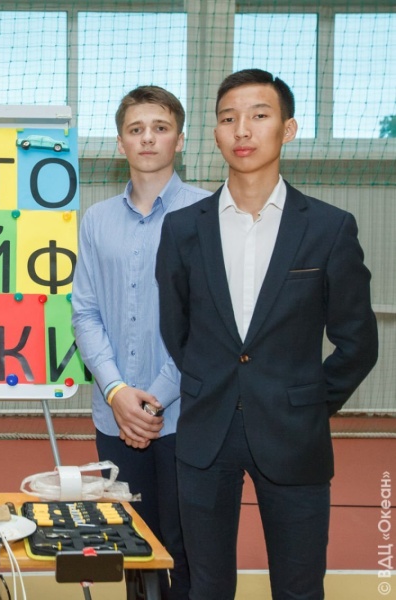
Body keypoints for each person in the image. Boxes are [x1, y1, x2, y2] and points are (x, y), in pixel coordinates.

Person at [156, 69, 378, 599]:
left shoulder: (329, 227)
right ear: (215, 134)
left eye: (259, 115)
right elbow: (176, 328)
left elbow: (357, 342)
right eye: (228, 118)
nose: (243, 130)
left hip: (294, 433)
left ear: (288, 129)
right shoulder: (183, 229)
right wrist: (210, 382)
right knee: (206, 587)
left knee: (299, 588)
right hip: (206, 431)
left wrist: (306, 401)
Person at [71, 85, 208, 599]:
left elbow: (207, 323)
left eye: (160, 127)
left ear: (179, 139)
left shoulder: (208, 213)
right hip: (115, 417)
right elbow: (85, 313)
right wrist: (117, 392)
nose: (148, 138)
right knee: (132, 547)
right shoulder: (96, 220)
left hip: (185, 416)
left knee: (186, 549)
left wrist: (154, 399)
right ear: (121, 142)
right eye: (136, 129)